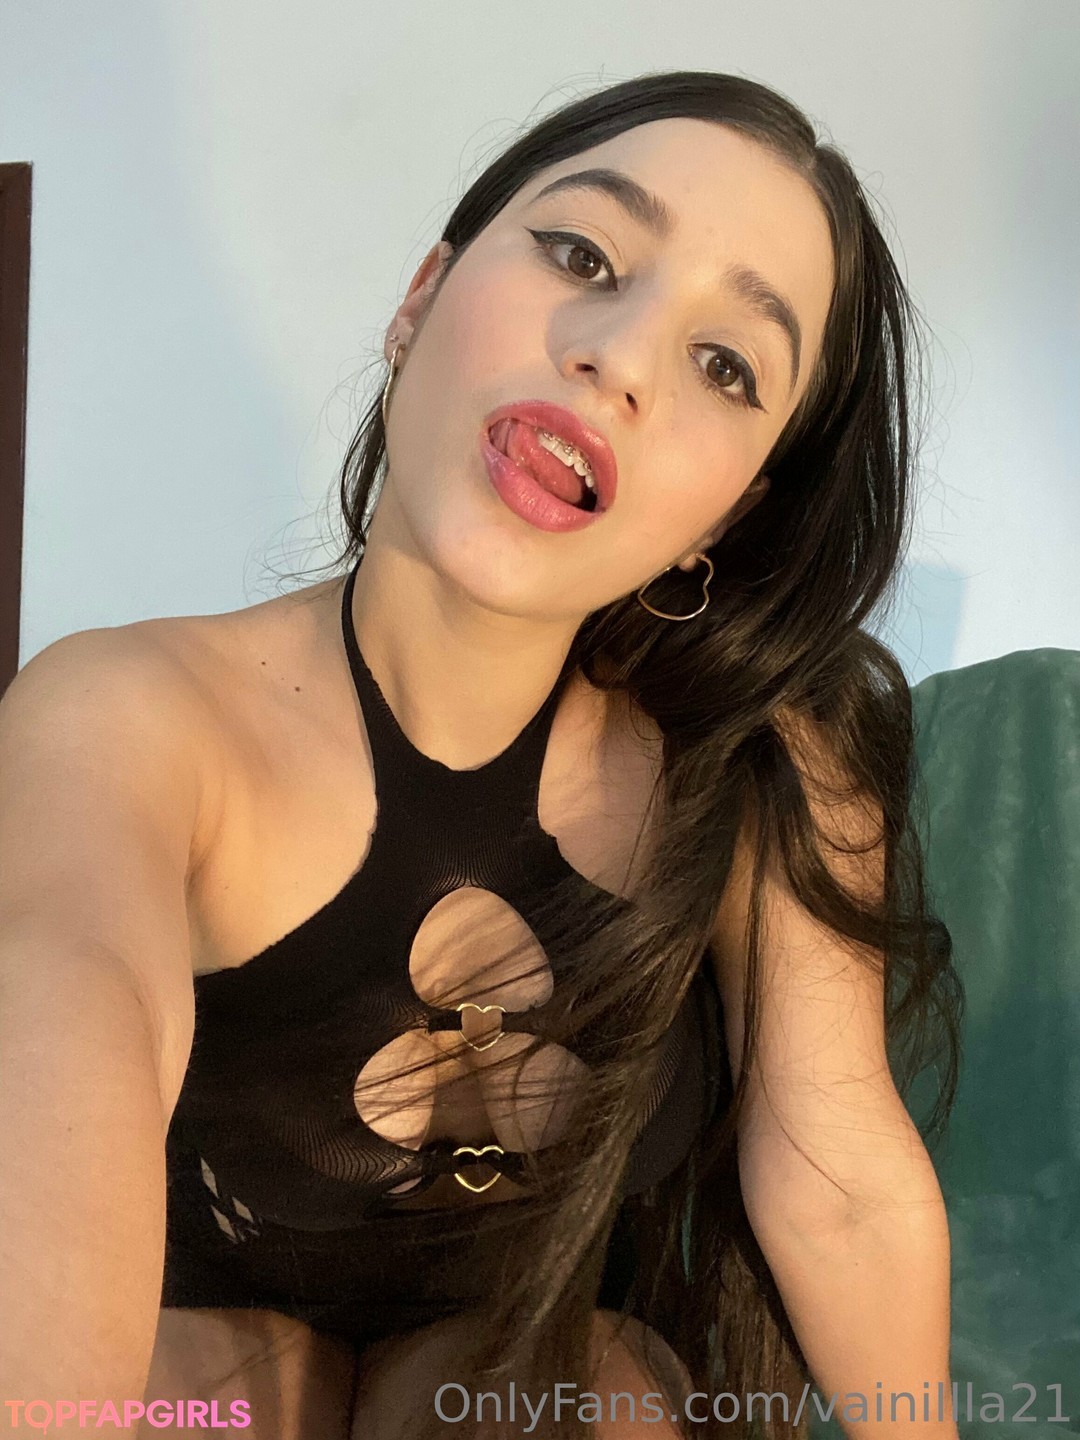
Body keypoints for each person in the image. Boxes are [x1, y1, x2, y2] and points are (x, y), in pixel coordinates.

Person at [0, 70, 964, 1440]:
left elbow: (842, 1185)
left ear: (731, 513)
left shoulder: (769, 760)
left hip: (536, 1364)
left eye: (726, 365)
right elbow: (49, 1088)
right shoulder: (119, 714)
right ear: (420, 299)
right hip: (193, 1362)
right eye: (585, 255)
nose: (620, 360)